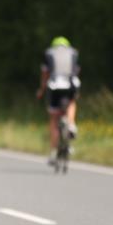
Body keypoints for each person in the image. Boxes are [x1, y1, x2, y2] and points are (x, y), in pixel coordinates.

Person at [36, 36, 81, 165]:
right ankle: (71, 124)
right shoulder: (73, 52)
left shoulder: (49, 53)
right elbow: (76, 70)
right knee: (72, 102)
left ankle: (54, 152)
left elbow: (45, 74)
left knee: (54, 119)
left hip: (54, 85)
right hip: (71, 84)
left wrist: (41, 90)